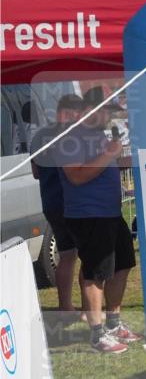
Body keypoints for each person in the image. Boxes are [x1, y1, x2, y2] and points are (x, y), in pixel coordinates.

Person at [51, 88, 141, 353]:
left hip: (110, 213)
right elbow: (76, 176)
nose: (109, 117)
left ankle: (113, 324)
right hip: (88, 215)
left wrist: (136, 160)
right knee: (95, 273)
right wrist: (111, 154)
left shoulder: (99, 137)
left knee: (122, 266)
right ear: (87, 111)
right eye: (105, 111)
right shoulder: (69, 138)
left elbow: (108, 163)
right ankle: (97, 334)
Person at [30, 94, 84, 317]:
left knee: (66, 255)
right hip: (73, 202)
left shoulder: (39, 136)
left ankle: (65, 306)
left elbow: (35, 173)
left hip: (50, 202)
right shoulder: (74, 135)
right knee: (88, 255)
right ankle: (88, 308)